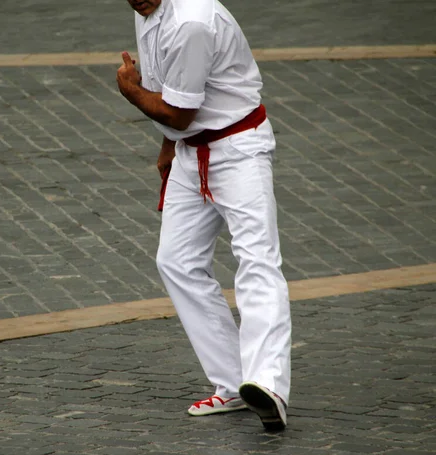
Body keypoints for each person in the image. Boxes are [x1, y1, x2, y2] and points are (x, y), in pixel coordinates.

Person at [116, 0, 292, 431]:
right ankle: (234, 384)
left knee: (257, 260)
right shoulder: (146, 9)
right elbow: (173, 89)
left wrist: (130, 90)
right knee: (177, 261)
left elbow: (178, 110)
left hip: (239, 149)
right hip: (189, 151)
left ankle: (268, 384)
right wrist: (167, 145)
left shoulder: (193, 21)